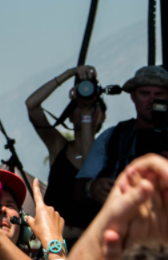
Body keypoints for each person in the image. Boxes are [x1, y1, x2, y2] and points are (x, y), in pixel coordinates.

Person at [75, 66, 168, 260]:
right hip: (125, 253)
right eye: (144, 93)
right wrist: (92, 187)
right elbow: (76, 191)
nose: (151, 100)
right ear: (133, 97)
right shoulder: (112, 137)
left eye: (159, 94)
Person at [26, 65, 106, 246]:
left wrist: (86, 114)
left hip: (93, 246)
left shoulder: (109, 152)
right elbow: (32, 105)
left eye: (95, 107)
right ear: (69, 116)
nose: (86, 109)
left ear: (103, 116)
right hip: (56, 243)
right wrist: (69, 74)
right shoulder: (58, 146)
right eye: (77, 107)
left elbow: (88, 168)